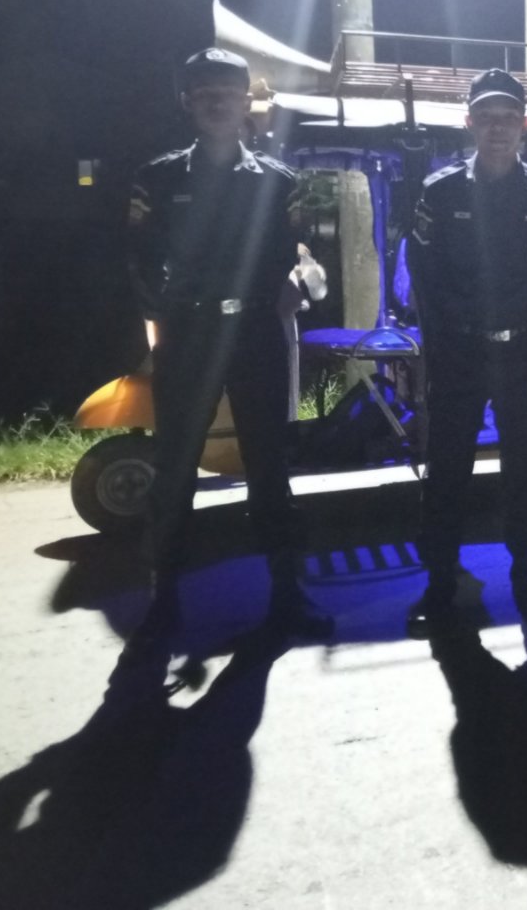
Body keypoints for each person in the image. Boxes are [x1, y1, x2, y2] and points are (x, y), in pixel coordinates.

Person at [128, 47, 332, 641]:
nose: (217, 103)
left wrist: (291, 284)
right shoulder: (158, 178)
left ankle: (288, 597)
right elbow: (139, 261)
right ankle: (163, 602)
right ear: (187, 103)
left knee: (269, 467)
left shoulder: (278, 181)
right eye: (205, 94)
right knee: (175, 470)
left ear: (247, 103)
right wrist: (163, 313)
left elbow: (296, 251)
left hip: (254, 332)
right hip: (189, 334)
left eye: (228, 93)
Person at [405, 68, 527, 636]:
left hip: (523, 351)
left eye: (508, 118)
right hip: (458, 352)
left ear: (524, 125)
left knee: (526, 466)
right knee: (447, 465)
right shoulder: (440, 191)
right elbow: (423, 276)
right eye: (486, 117)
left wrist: (521, 325)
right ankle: (439, 581)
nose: (497, 128)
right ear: (469, 122)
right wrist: (447, 340)